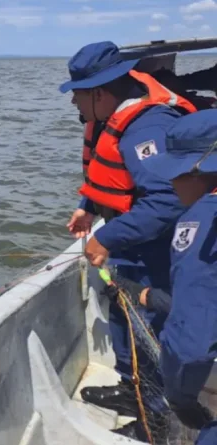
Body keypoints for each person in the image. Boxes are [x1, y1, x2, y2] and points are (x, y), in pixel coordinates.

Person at [60, 41, 198, 440]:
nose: (74, 106)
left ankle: (155, 418)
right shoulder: (113, 111)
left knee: (148, 327)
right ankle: (131, 389)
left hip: (156, 248)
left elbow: (168, 199)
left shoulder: (148, 127)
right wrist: (89, 205)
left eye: (77, 96)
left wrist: (109, 238)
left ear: (100, 92)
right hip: (130, 243)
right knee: (121, 310)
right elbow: (112, 174)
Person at [139, 109, 217, 444]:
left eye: (176, 171)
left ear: (199, 170)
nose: (170, 182)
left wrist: (180, 398)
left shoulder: (202, 221)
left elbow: (191, 345)